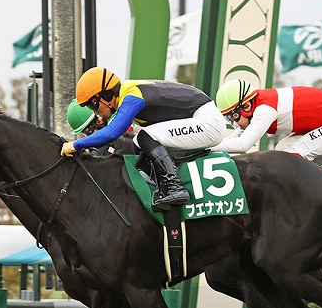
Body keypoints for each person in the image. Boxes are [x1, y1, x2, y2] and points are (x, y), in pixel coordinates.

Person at [61, 67, 225, 210]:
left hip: (207, 122)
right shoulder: (127, 95)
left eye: (93, 106)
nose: (95, 112)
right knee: (139, 141)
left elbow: (112, 133)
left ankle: (175, 187)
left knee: (145, 137)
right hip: (202, 119)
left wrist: (76, 144)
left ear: (105, 95)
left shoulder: (131, 97)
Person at [212, 79, 322, 161]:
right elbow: (235, 138)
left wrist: (205, 147)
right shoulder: (256, 105)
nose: (234, 124)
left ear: (246, 106)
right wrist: (208, 145)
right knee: (281, 152)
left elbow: (242, 144)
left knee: (293, 154)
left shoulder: (265, 109)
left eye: (233, 117)